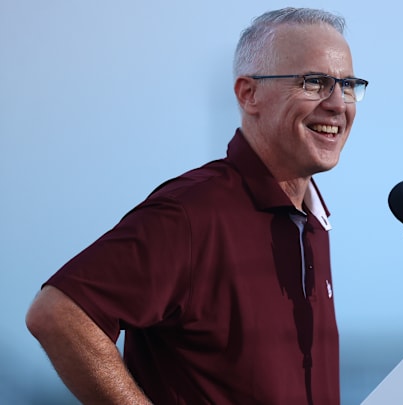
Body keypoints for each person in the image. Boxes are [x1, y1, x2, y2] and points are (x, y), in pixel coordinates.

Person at [25, 7, 368, 404]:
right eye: (315, 83)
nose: (337, 103)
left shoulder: (311, 220)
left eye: (348, 85)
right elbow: (58, 314)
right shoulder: (193, 212)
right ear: (248, 93)